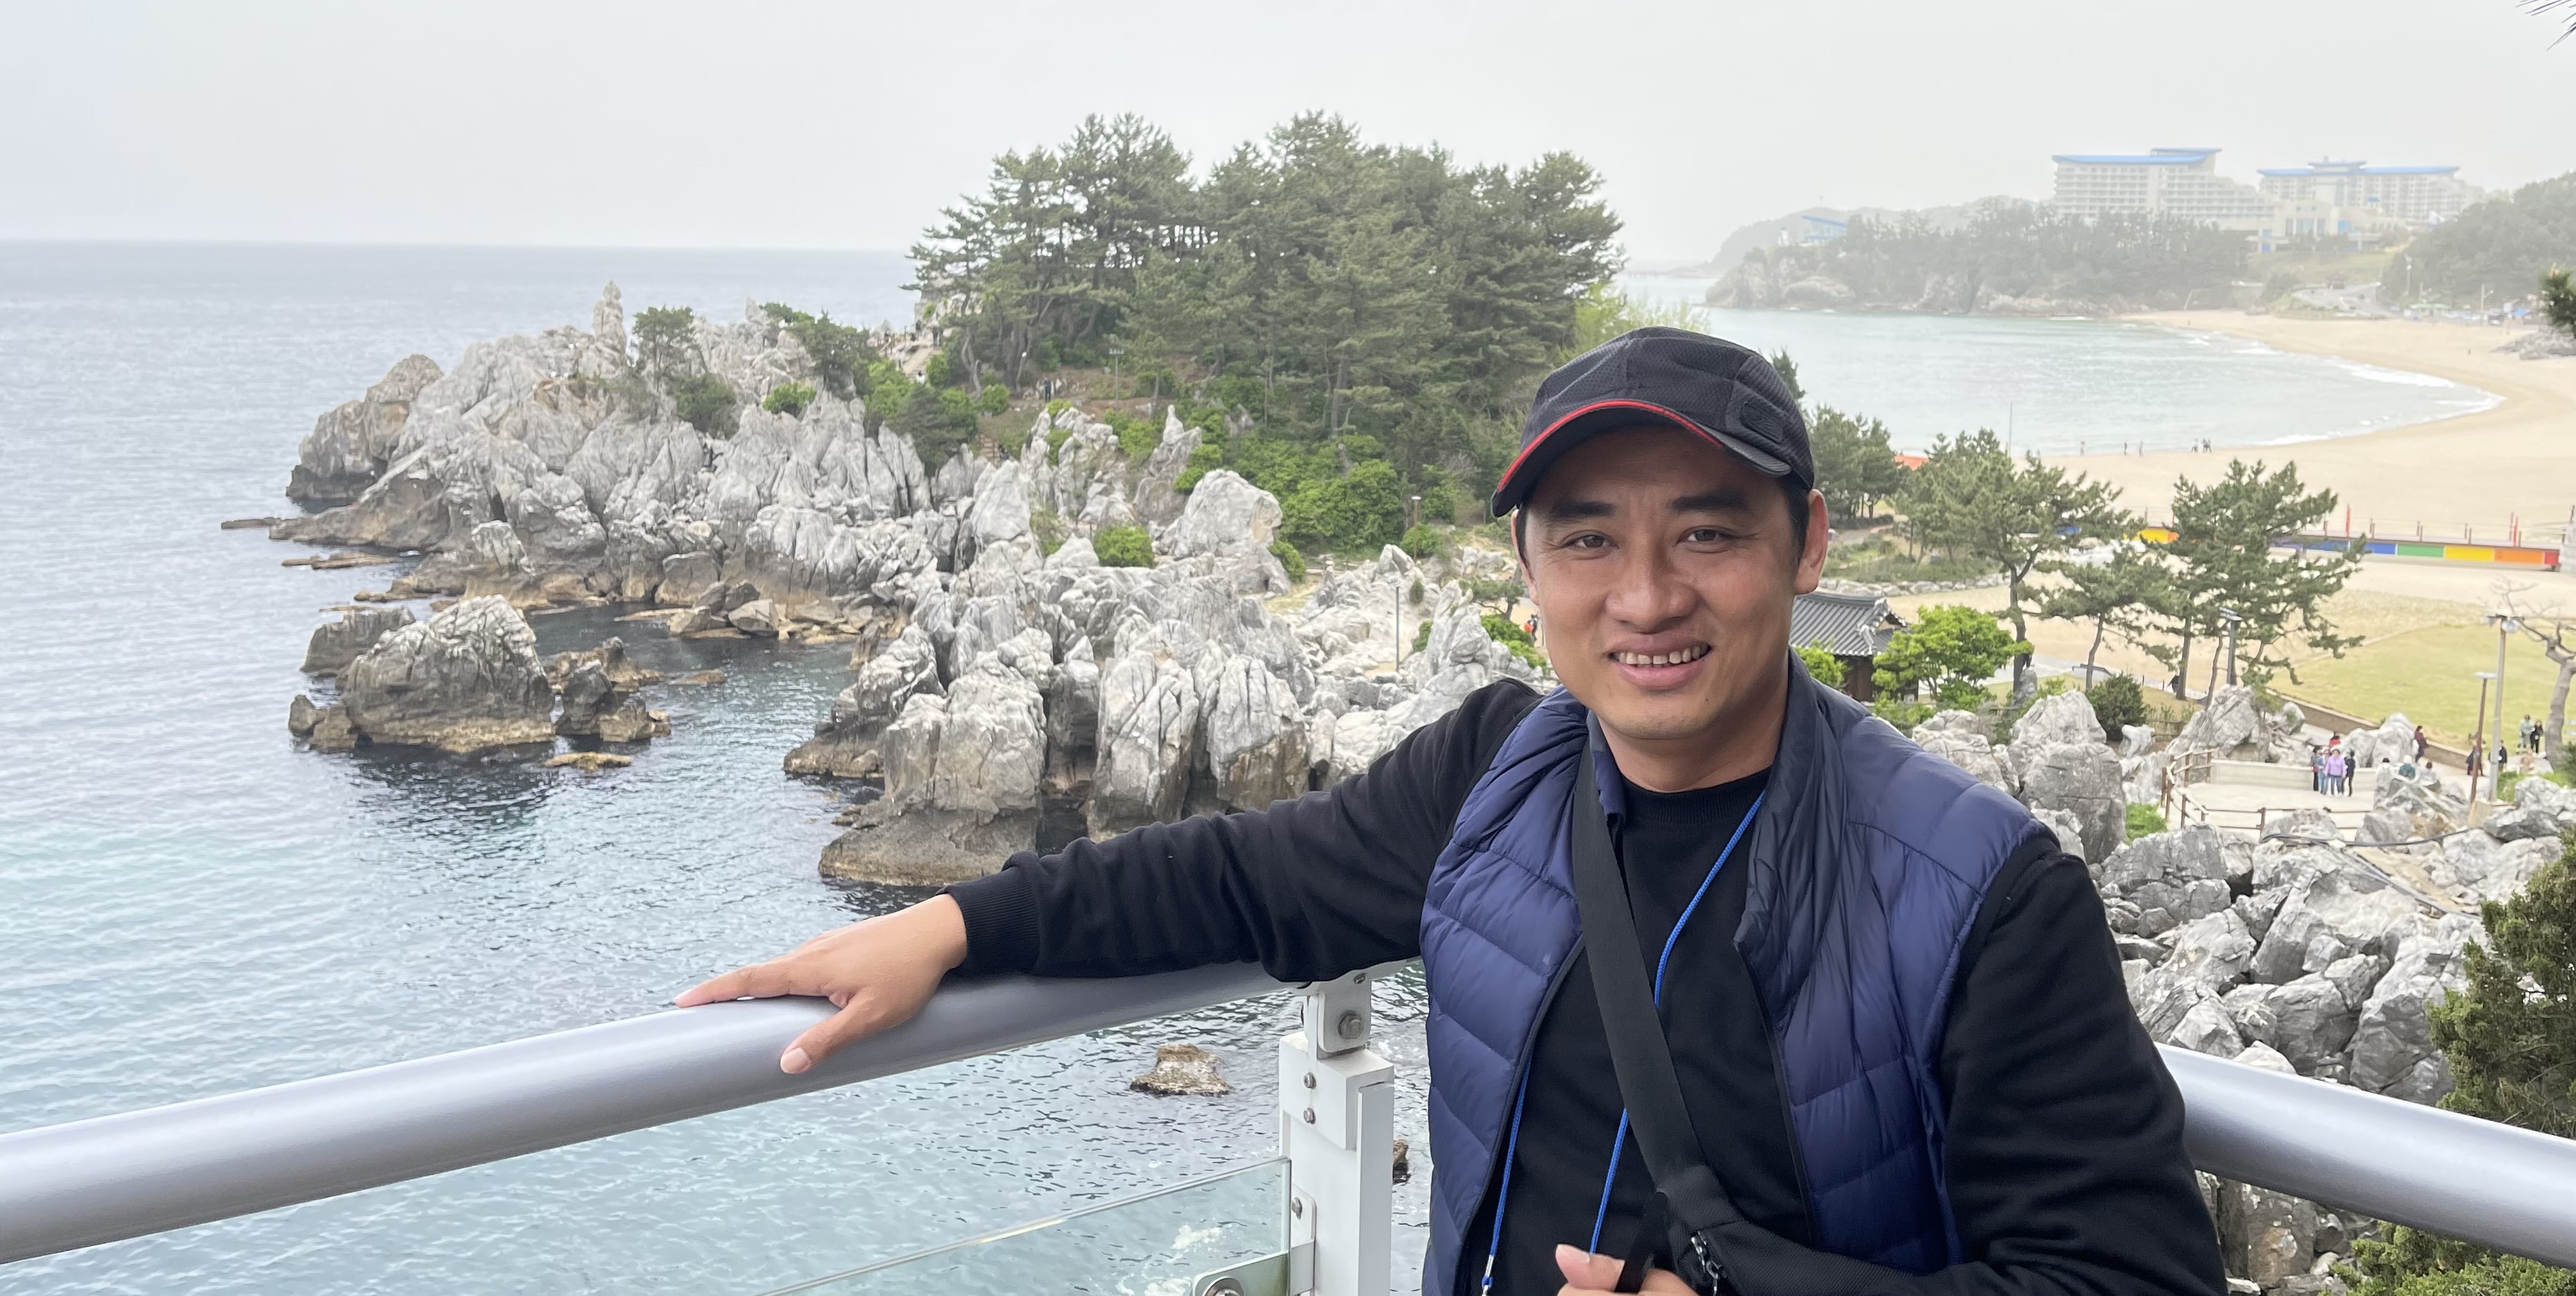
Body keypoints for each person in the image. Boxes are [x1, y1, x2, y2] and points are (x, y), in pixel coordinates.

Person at [678, 329, 2225, 1296]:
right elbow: (1247, 878)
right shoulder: (1501, 769)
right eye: (1587, 541)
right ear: (1529, 569)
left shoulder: (1979, 890)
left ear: (1806, 546)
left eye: (1706, 534)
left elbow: (2132, 1278)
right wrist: (955, 922)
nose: (1645, 598)